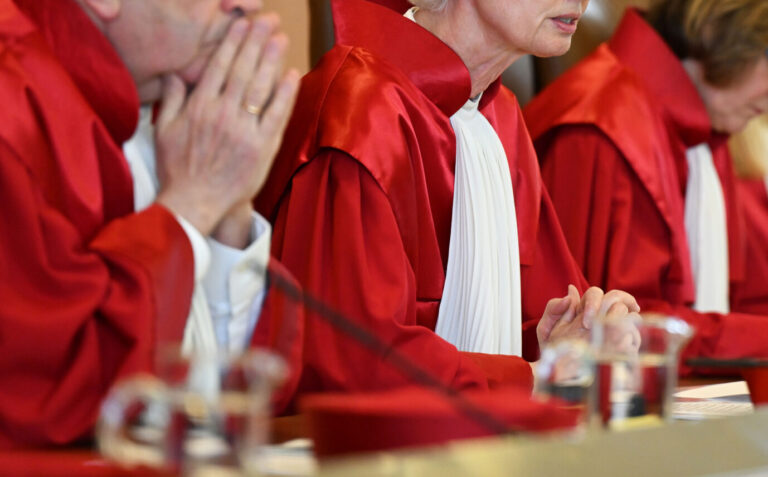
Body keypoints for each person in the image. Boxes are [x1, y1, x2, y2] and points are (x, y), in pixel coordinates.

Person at [255, 0, 639, 396]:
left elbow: (537, 321)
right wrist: (534, 375)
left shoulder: (497, 117)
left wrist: (586, 330)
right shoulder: (360, 111)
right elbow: (355, 362)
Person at [0, 0, 300, 448]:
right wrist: (192, 205)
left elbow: (220, 406)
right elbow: (47, 403)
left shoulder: (159, 99)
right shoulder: (12, 106)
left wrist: (227, 215)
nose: (248, 5)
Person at [524, 0, 768, 370]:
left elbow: (745, 297)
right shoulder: (601, 126)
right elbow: (606, 326)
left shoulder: (706, 129)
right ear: (725, 33)